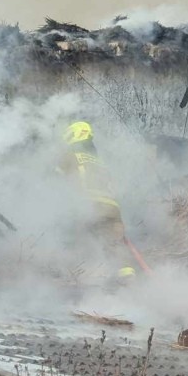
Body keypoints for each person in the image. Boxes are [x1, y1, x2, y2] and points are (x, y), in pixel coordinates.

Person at [59, 120, 137, 280]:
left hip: (89, 205)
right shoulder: (100, 162)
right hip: (113, 209)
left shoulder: (69, 156)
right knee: (114, 245)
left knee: (79, 239)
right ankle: (127, 276)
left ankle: (86, 277)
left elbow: (53, 180)